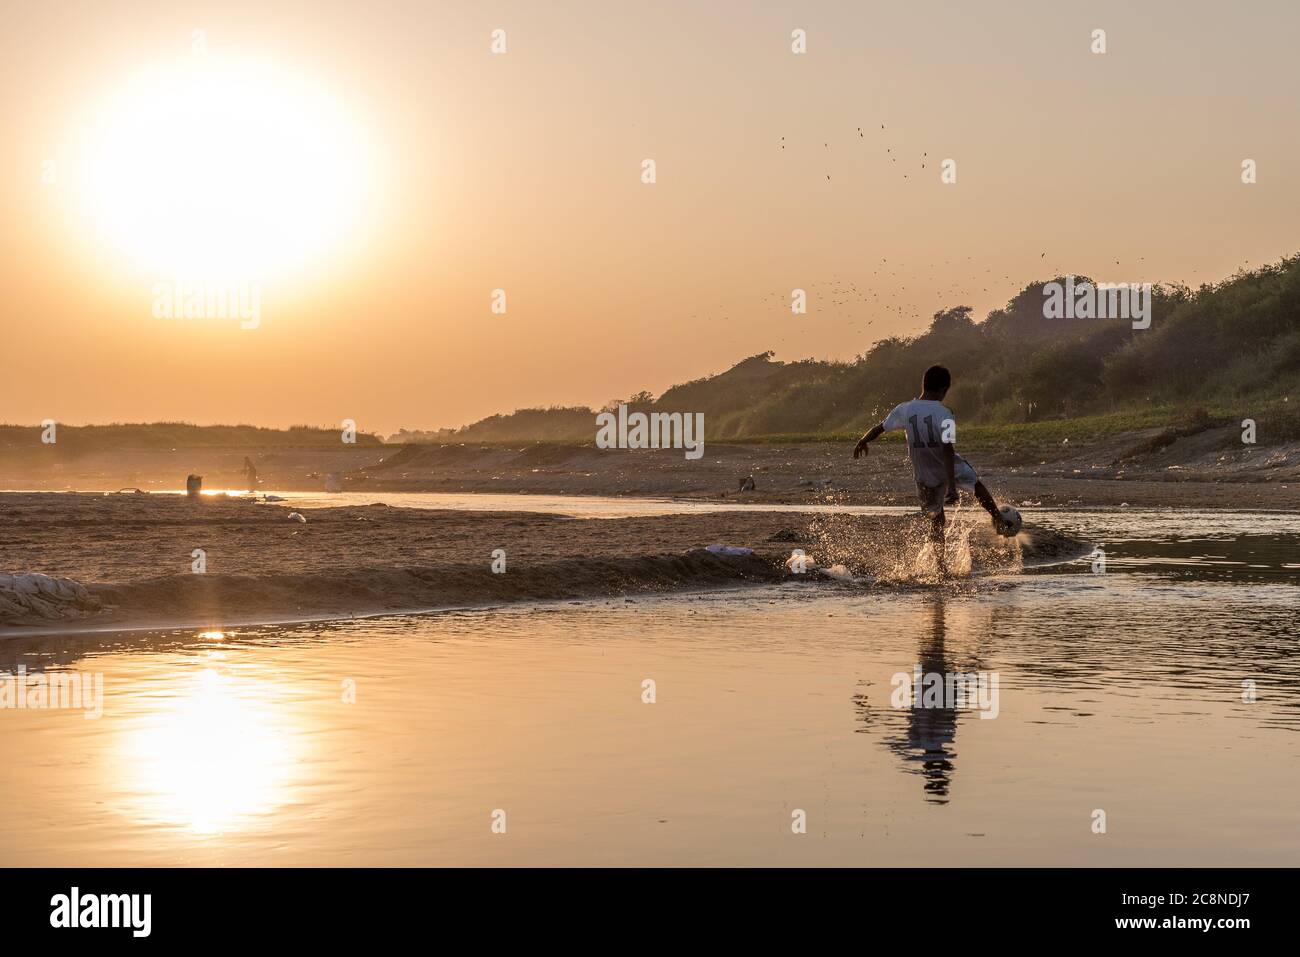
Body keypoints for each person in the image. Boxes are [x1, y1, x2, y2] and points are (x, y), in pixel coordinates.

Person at [852, 364, 1012, 571]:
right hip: (946, 465)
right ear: (944, 389)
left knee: (936, 519)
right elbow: (947, 449)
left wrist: (863, 441)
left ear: (924, 385)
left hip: (923, 472)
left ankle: (940, 567)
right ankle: (998, 519)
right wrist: (952, 487)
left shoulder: (904, 408)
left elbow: (880, 428)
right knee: (976, 485)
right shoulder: (945, 413)